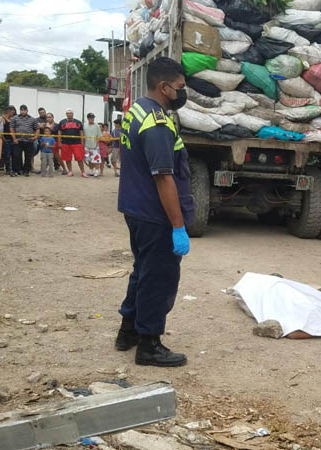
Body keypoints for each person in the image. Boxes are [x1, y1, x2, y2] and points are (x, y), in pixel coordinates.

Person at [115, 56, 194, 367]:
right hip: (154, 214)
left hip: (136, 208)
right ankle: (149, 344)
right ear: (164, 87)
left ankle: (128, 331)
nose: (182, 93)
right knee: (158, 278)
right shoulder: (157, 123)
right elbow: (164, 178)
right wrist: (177, 226)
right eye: (179, 88)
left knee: (143, 272)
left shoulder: (137, 111)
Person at [10, 105, 39, 177]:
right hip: (18, 140)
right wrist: (14, 138)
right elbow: (11, 128)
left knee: (28, 157)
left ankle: (26, 171)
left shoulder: (32, 119)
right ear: (20, 110)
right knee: (16, 156)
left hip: (29, 141)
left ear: (27, 110)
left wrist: (35, 137)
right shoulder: (14, 118)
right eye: (21, 110)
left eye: (24, 110)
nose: (23, 111)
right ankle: (17, 170)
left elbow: (37, 129)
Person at [57, 108, 86, 177]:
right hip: (65, 143)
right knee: (67, 158)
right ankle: (70, 171)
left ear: (73, 114)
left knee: (79, 158)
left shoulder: (78, 122)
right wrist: (59, 142)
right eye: (68, 113)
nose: (69, 114)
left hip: (77, 143)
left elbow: (81, 132)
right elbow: (59, 132)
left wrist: (82, 143)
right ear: (66, 114)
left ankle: (83, 172)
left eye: (70, 113)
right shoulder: (62, 122)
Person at [83, 113, 102, 177]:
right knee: (89, 159)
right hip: (87, 145)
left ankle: (97, 171)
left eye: (93, 118)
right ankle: (91, 170)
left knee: (96, 159)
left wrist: (96, 144)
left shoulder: (97, 126)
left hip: (95, 146)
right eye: (91, 118)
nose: (92, 119)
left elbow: (99, 136)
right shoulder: (84, 126)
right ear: (88, 118)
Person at [1, 106, 15, 175]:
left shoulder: (11, 119)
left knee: (13, 155)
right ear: (8, 111)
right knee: (7, 155)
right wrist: (4, 139)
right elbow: (1, 130)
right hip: (6, 140)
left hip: (12, 139)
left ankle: (12, 168)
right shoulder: (2, 118)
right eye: (12, 112)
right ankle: (7, 169)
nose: (13, 113)